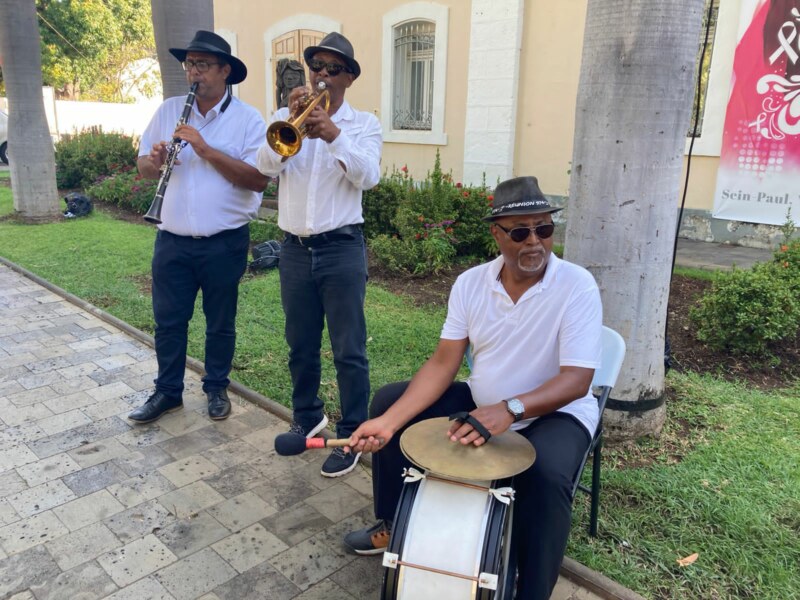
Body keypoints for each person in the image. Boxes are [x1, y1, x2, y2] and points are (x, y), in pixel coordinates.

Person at [343, 176, 603, 600]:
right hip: (485, 403)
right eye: (520, 232)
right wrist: (388, 423)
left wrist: (510, 409)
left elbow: (577, 380)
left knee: (547, 474)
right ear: (496, 234)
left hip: (557, 412)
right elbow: (443, 362)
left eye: (544, 229)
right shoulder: (470, 283)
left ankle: (532, 590)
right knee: (390, 402)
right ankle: (394, 524)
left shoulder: (576, 284)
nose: (534, 241)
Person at [256, 32, 382, 477]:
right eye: (317, 67)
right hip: (293, 249)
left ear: (349, 77)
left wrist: (333, 135)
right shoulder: (284, 118)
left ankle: (351, 433)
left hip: (341, 248)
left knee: (349, 349)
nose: (322, 75)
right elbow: (263, 166)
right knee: (300, 344)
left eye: (333, 69)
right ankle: (308, 416)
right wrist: (290, 124)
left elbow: (369, 178)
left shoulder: (363, 125)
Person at [128, 30, 268, 424]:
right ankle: (167, 392)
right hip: (171, 240)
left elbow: (257, 179)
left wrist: (205, 149)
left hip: (224, 242)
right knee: (169, 322)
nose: (194, 72)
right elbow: (142, 165)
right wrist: (154, 160)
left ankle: (216, 388)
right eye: (190, 64)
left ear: (225, 71)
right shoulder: (169, 109)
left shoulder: (248, 119)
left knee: (220, 322)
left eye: (203, 65)